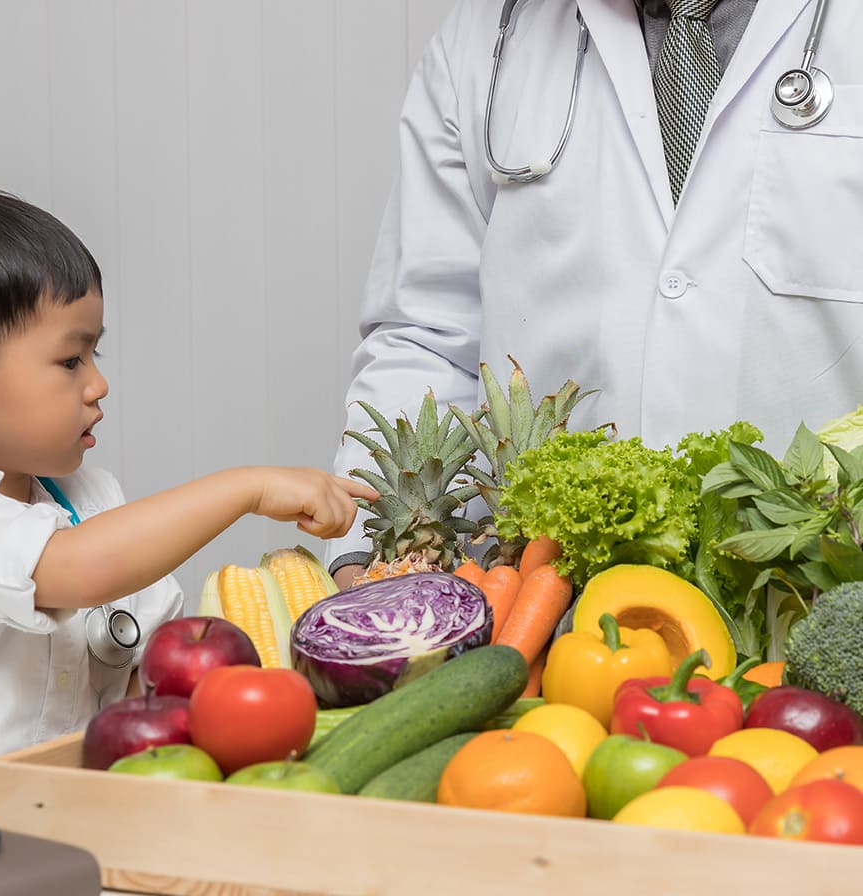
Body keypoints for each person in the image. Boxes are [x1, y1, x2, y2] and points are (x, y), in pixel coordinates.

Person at [0, 185, 375, 760]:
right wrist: (247, 487)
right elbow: (77, 569)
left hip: (55, 800)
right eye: (70, 361)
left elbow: (146, 675)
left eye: (95, 356)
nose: (98, 384)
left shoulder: (89, 498)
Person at [327, 0, 863, 587]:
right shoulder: (485, 36)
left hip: (816, 599)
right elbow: (427, 336)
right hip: (545, 611)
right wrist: (371, 556)